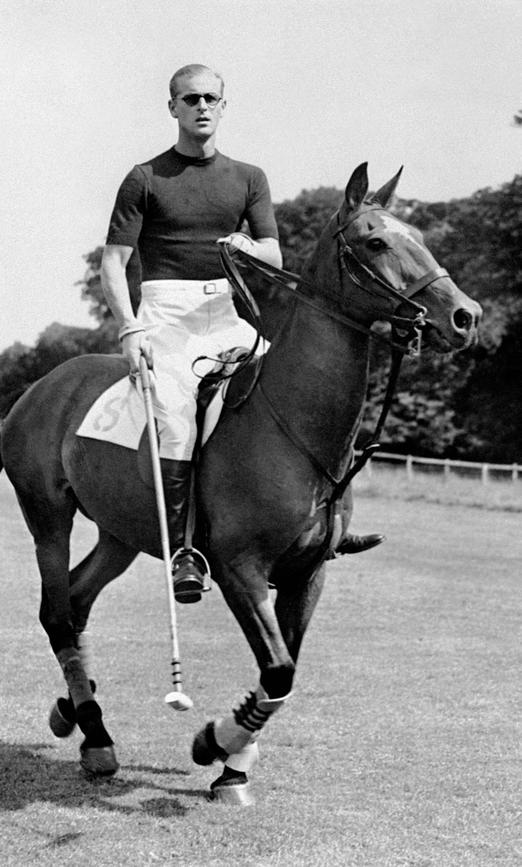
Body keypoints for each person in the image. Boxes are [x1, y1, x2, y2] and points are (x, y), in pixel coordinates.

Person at [98, 64, 382, 603]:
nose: (201, 106)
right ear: (173, 107)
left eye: (211, 98)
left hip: (226, 313)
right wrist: (128, 328)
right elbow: (113, 262)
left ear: (224, 107)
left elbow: (272, 251)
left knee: (300, 393)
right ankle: (187, 550)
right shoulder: (144, 177)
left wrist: (246, 246)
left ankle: (330, 523)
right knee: (177, 420)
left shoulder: (248, 177)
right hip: (164, 315)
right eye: (190, 98)